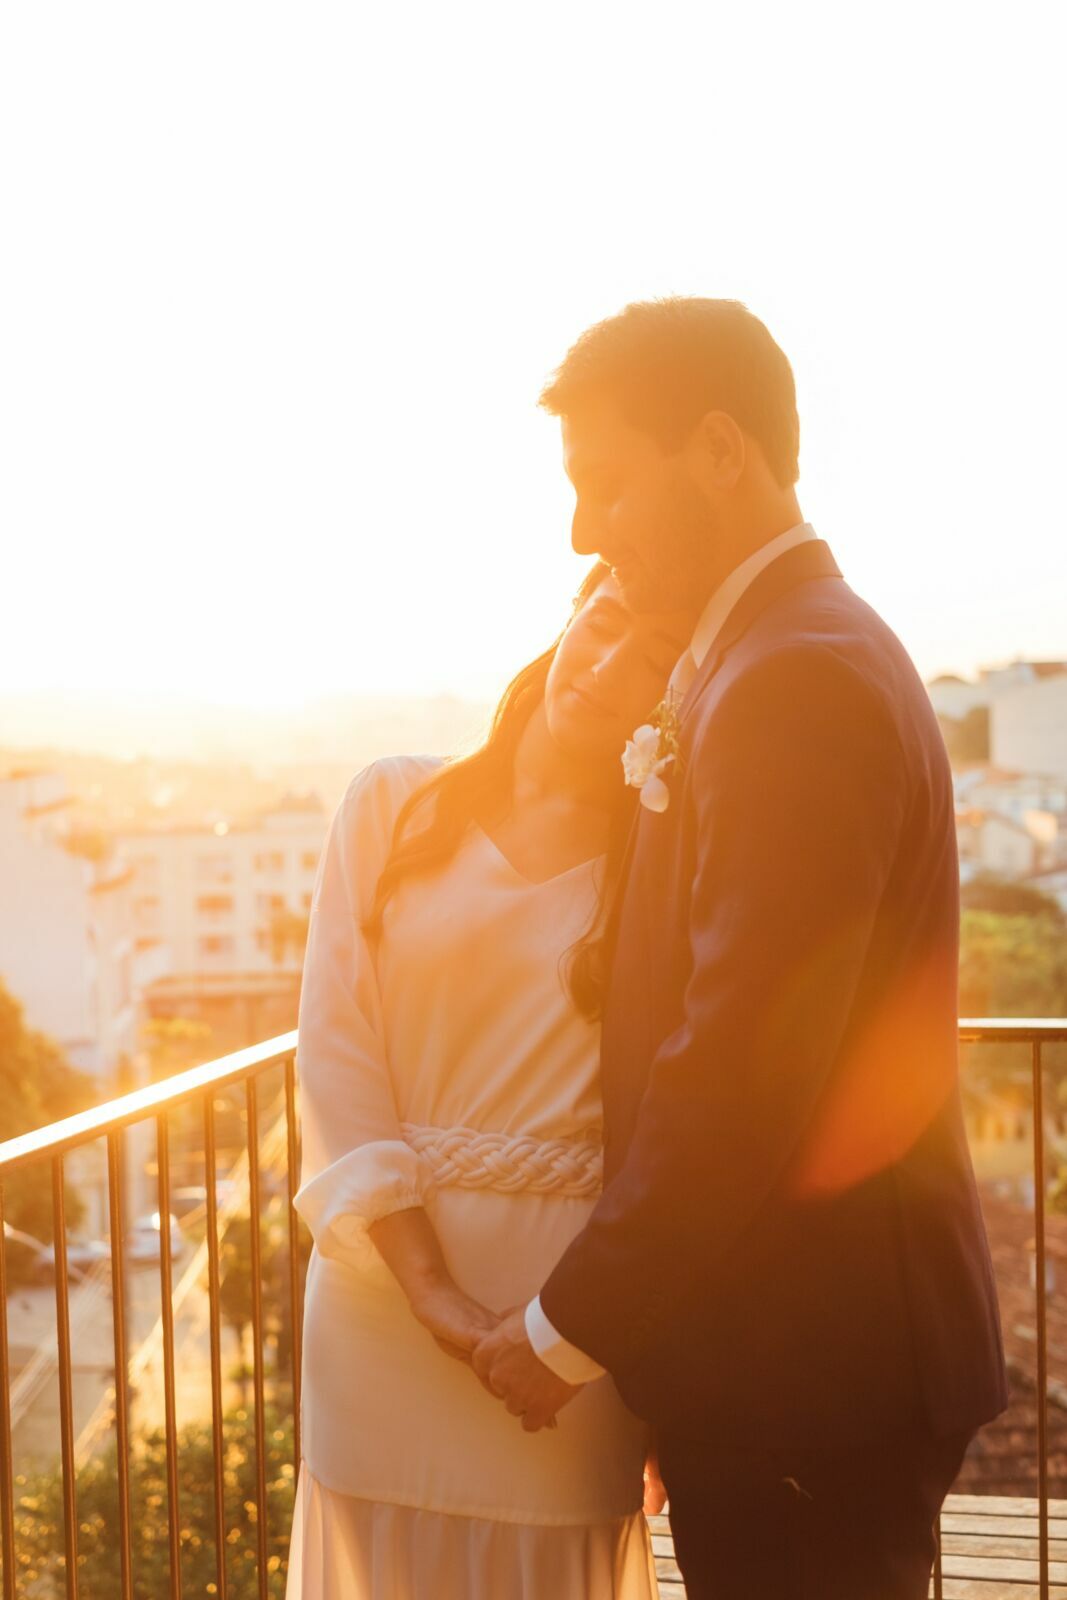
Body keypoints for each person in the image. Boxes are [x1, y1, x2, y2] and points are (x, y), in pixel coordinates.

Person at [472, 297, 1008, 1599]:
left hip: (809, 1370)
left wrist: (568, 1328)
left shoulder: (791, 678)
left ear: (722, 451)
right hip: (782, 1364)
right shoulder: (770, 655)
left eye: (603, 484)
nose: (580, 533)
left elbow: (738, 1063)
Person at [285, 562, 692, 1598]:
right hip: (378, 1313)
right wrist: (429, 1294)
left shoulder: (657, 863)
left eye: (650, 659)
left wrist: (591, 1336)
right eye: (601, 622)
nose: (605, 666)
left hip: (563, 1339)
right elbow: (334, 1049)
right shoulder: (391, 803)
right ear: (564, 619)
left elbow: (672, 1120)